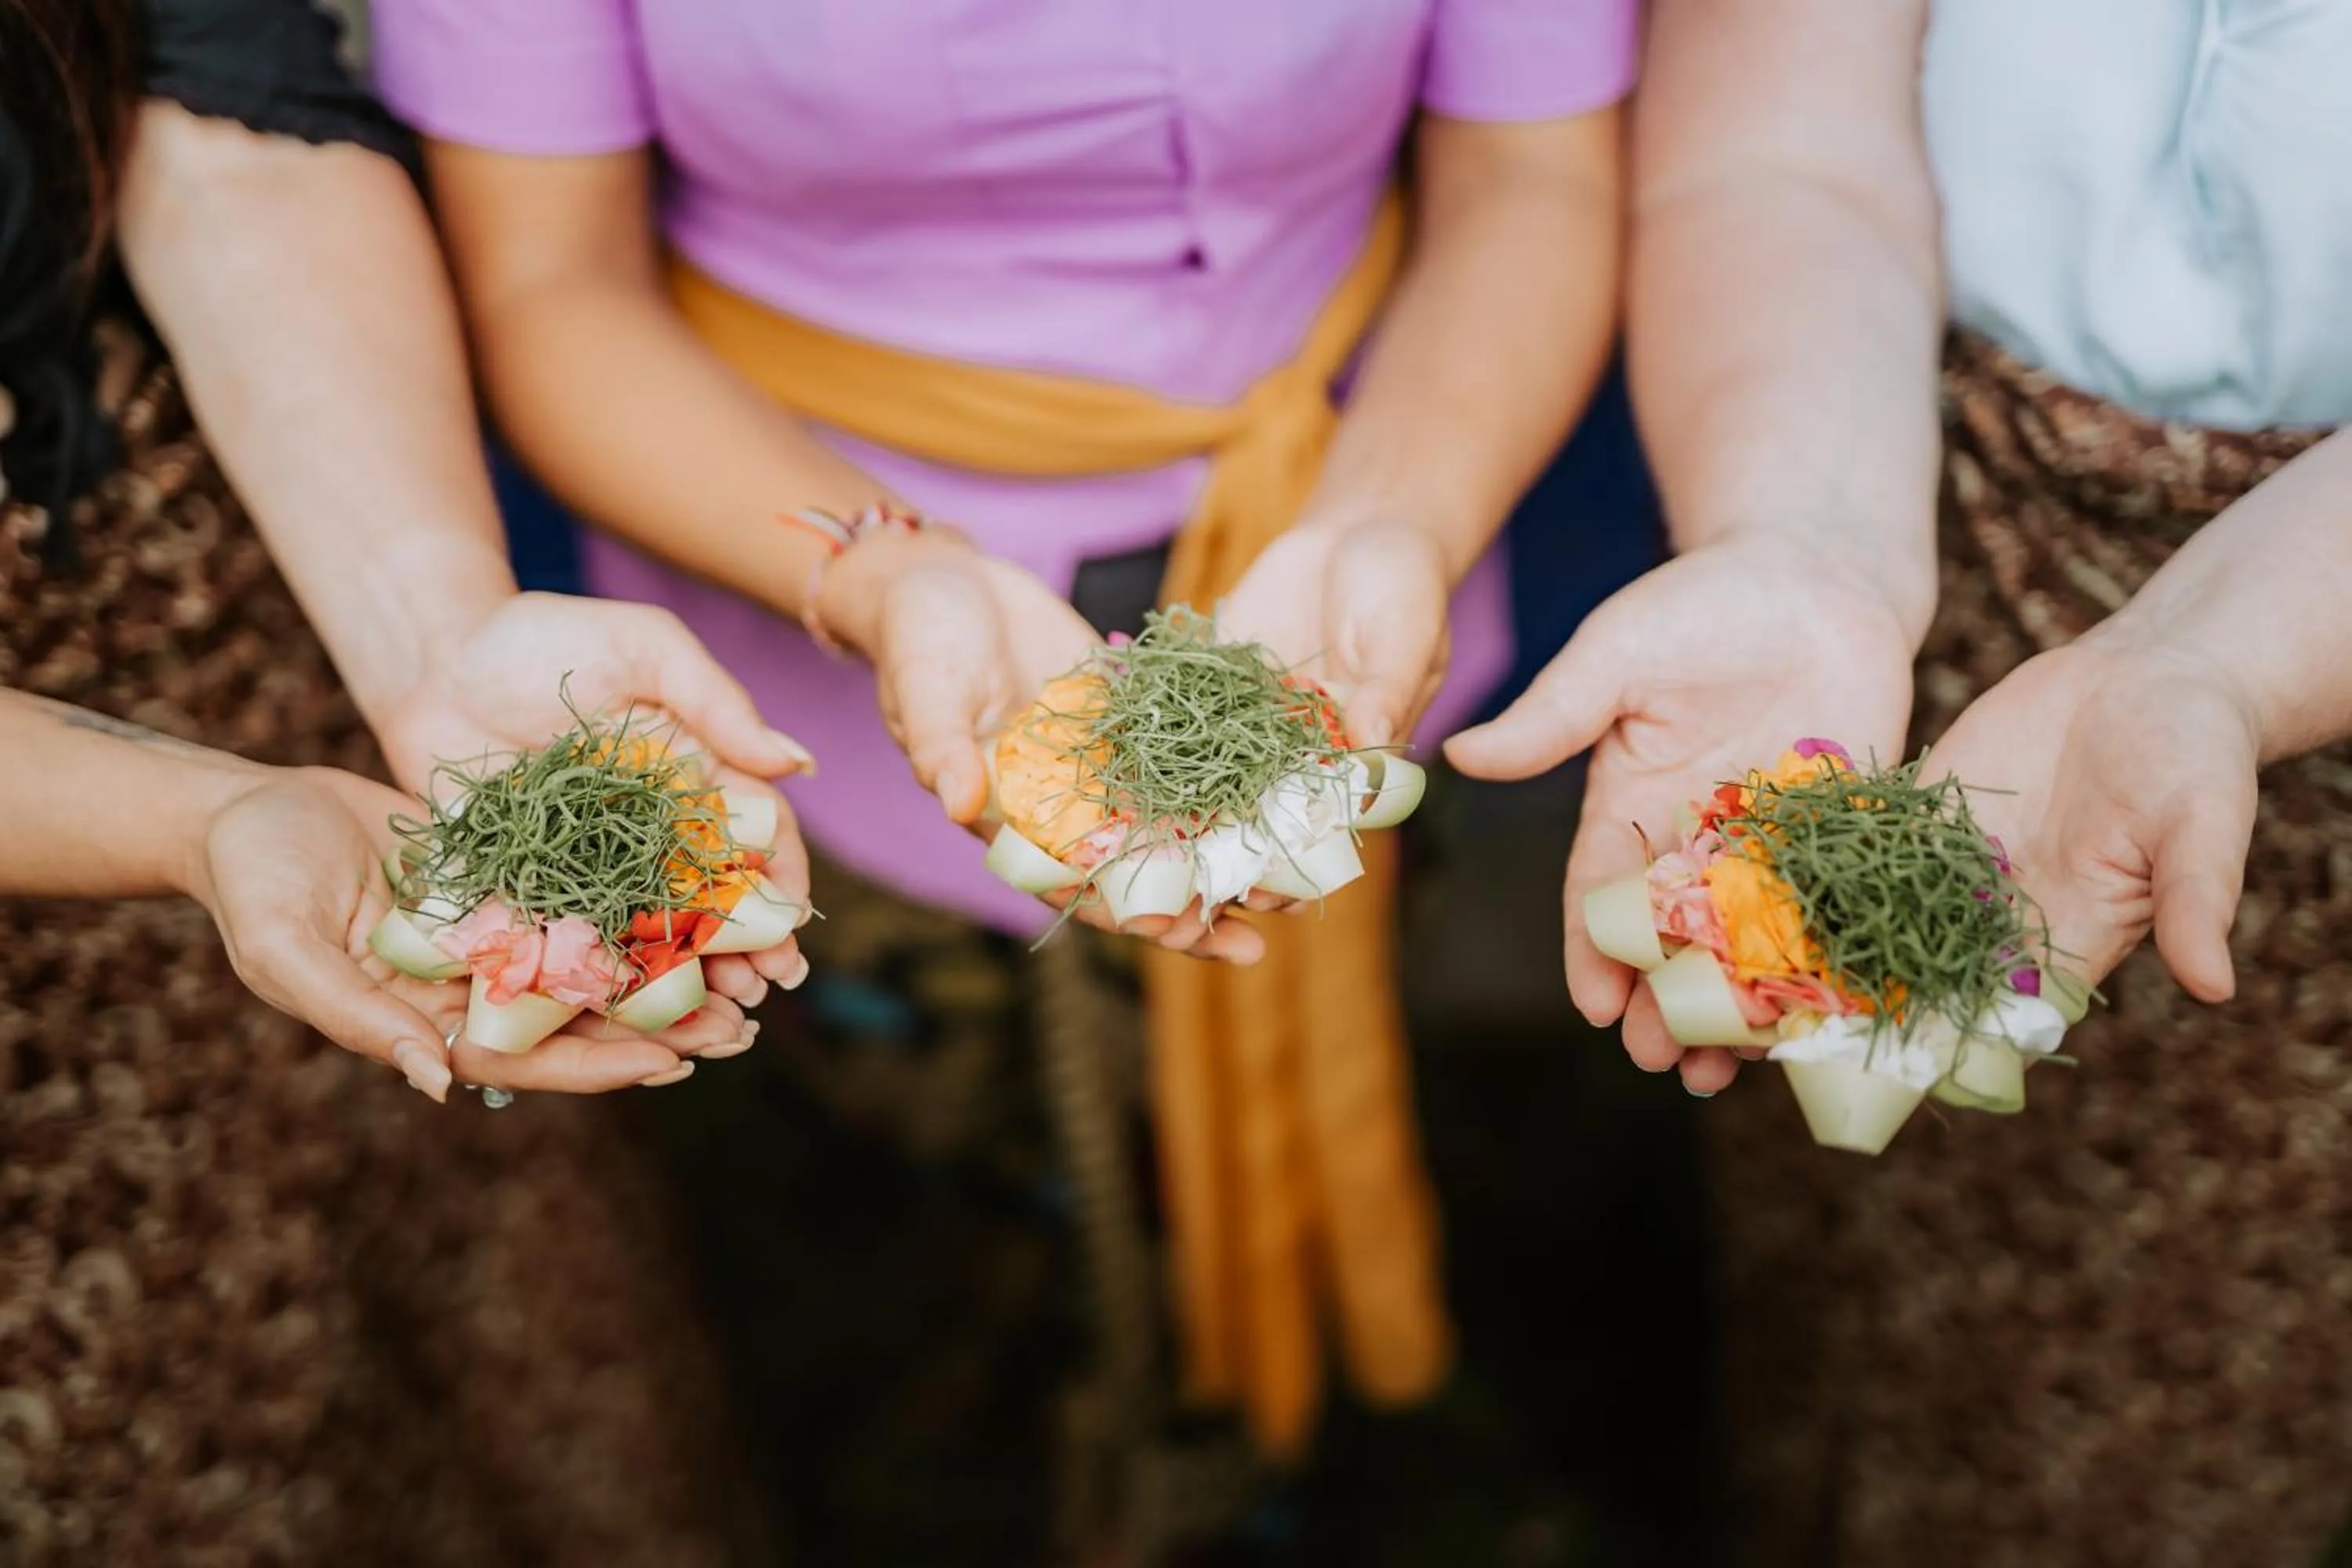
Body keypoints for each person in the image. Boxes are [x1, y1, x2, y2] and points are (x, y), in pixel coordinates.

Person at [367, 0, 1629, 1554]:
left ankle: (1294, 1451)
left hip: (1361, 574)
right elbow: (549, 283)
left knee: (1366, 1038)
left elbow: (1530, 178)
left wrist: (1396, 516)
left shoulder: (1373, 578)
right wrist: (891, 578)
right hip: (823, 620)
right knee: (952, 1224)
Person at [1450, 2, 2352, 1563]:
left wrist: (2219, 658)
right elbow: (1780, 147)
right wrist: (1802, 536)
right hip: (1874, 489)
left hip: (2314, 624)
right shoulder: (1829, 689)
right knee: (1841, 1239)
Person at [0, 1, 813, 1559]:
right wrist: (189, 815)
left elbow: (216, 114)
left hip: (241, 556)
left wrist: (434, 629)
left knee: (481, 1263)